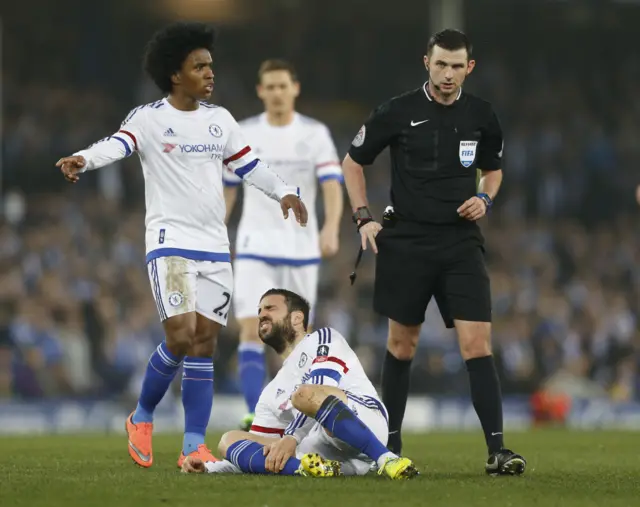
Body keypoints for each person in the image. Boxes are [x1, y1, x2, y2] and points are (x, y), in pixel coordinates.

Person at [55, 22, 308, 469]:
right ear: (176, 74)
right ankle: (143, 414)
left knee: (204, 344)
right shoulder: (149, 117)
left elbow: (251, 166)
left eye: (210, 65)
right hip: (170, 244)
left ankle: (193, 445)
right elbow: (117, 145)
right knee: (179, 334)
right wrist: (84, 159)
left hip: (214, 247)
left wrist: (284, 191)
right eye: (200, 67)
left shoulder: (220, 120)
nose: (210, 73)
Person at [341, 28, 526, 476]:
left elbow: (494, 171)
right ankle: (390, 447)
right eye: (440, 64)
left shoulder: (482, 115)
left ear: (469, 68)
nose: (448, 74)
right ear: (427, 62)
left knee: (477, 343)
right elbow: (352, 163)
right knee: (402, 345)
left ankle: (498, 451)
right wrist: (363, 217)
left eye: (456, 66)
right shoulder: (398, 111)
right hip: (407, 240)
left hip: (461, 242)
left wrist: (485, 198)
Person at [181, 289, 418, 479]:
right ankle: (306, 469)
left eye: (270, 308)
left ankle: (387, 458)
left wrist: (291, 438)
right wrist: (211, 468)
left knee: (304, 394)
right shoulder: (271, 391)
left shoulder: (323, 339)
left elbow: (317, 392)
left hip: (366, 421)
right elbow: (260, 451)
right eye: (260, 310)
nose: (262, 314)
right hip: (326, 451)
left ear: (297, 318)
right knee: (229, 439)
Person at [223, 59, 343, 429]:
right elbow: (227, 189)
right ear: (260, 92)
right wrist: (215, 230)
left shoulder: (314, 133)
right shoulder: (242, 133)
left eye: (282, 86)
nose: (276, 93)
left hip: (300, 250)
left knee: (296, 337)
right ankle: (252, 412)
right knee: (250, 327)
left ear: (295, 88)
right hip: (254, 244)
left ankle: (294, 417)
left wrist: (331, 228)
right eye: (269, 87)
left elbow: (331, 185)